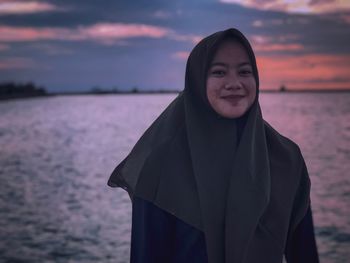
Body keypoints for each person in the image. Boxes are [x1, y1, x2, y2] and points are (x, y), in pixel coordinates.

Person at [108, 28, 319, 263]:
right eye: (219, 72)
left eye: (244, 71)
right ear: (198, 81)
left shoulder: (286, 159)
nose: (234, 83)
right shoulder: (162, 166)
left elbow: (305, 253)